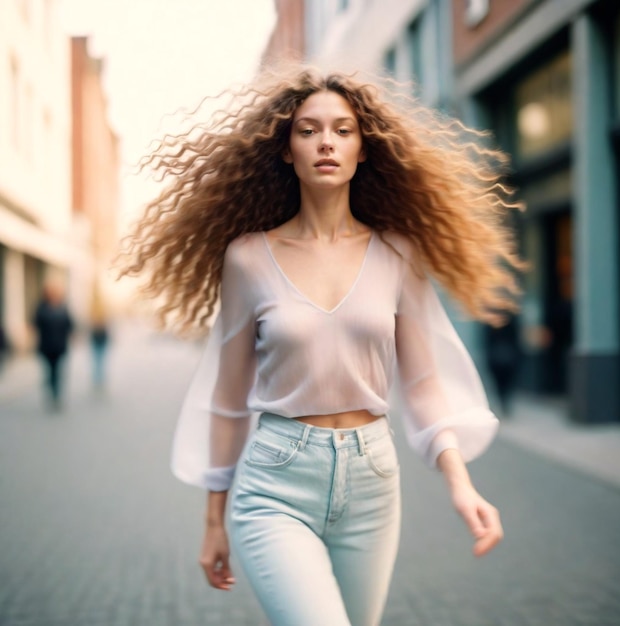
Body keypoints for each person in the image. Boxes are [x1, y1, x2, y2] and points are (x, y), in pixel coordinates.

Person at [118, 65, 524, 626]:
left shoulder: (398, 254)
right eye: (307, 131)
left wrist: (461, 483)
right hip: (275, 484)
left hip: (373, 481)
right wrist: (214, 520)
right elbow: (228, 398)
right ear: (286, 151)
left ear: (364, 148)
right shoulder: (248, 258)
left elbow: (425, 386)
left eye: (343, 129)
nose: (326, 142)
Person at [33, 282, 74, 410]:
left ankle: (56, 396)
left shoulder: (63, 307)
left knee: (58, 372)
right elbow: (35, 324)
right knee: (49, 372)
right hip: (46, 346)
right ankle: (51, 392)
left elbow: (70, 324)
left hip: (60, 346)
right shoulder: (41, 307)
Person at [484, 315, 522, 417]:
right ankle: (504, 402)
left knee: (500, 383)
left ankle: (503, 401)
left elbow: (488, 340)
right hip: (506, 356)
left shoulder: (491, 320)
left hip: (498, 356)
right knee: (505, 383)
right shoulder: (511, 319)